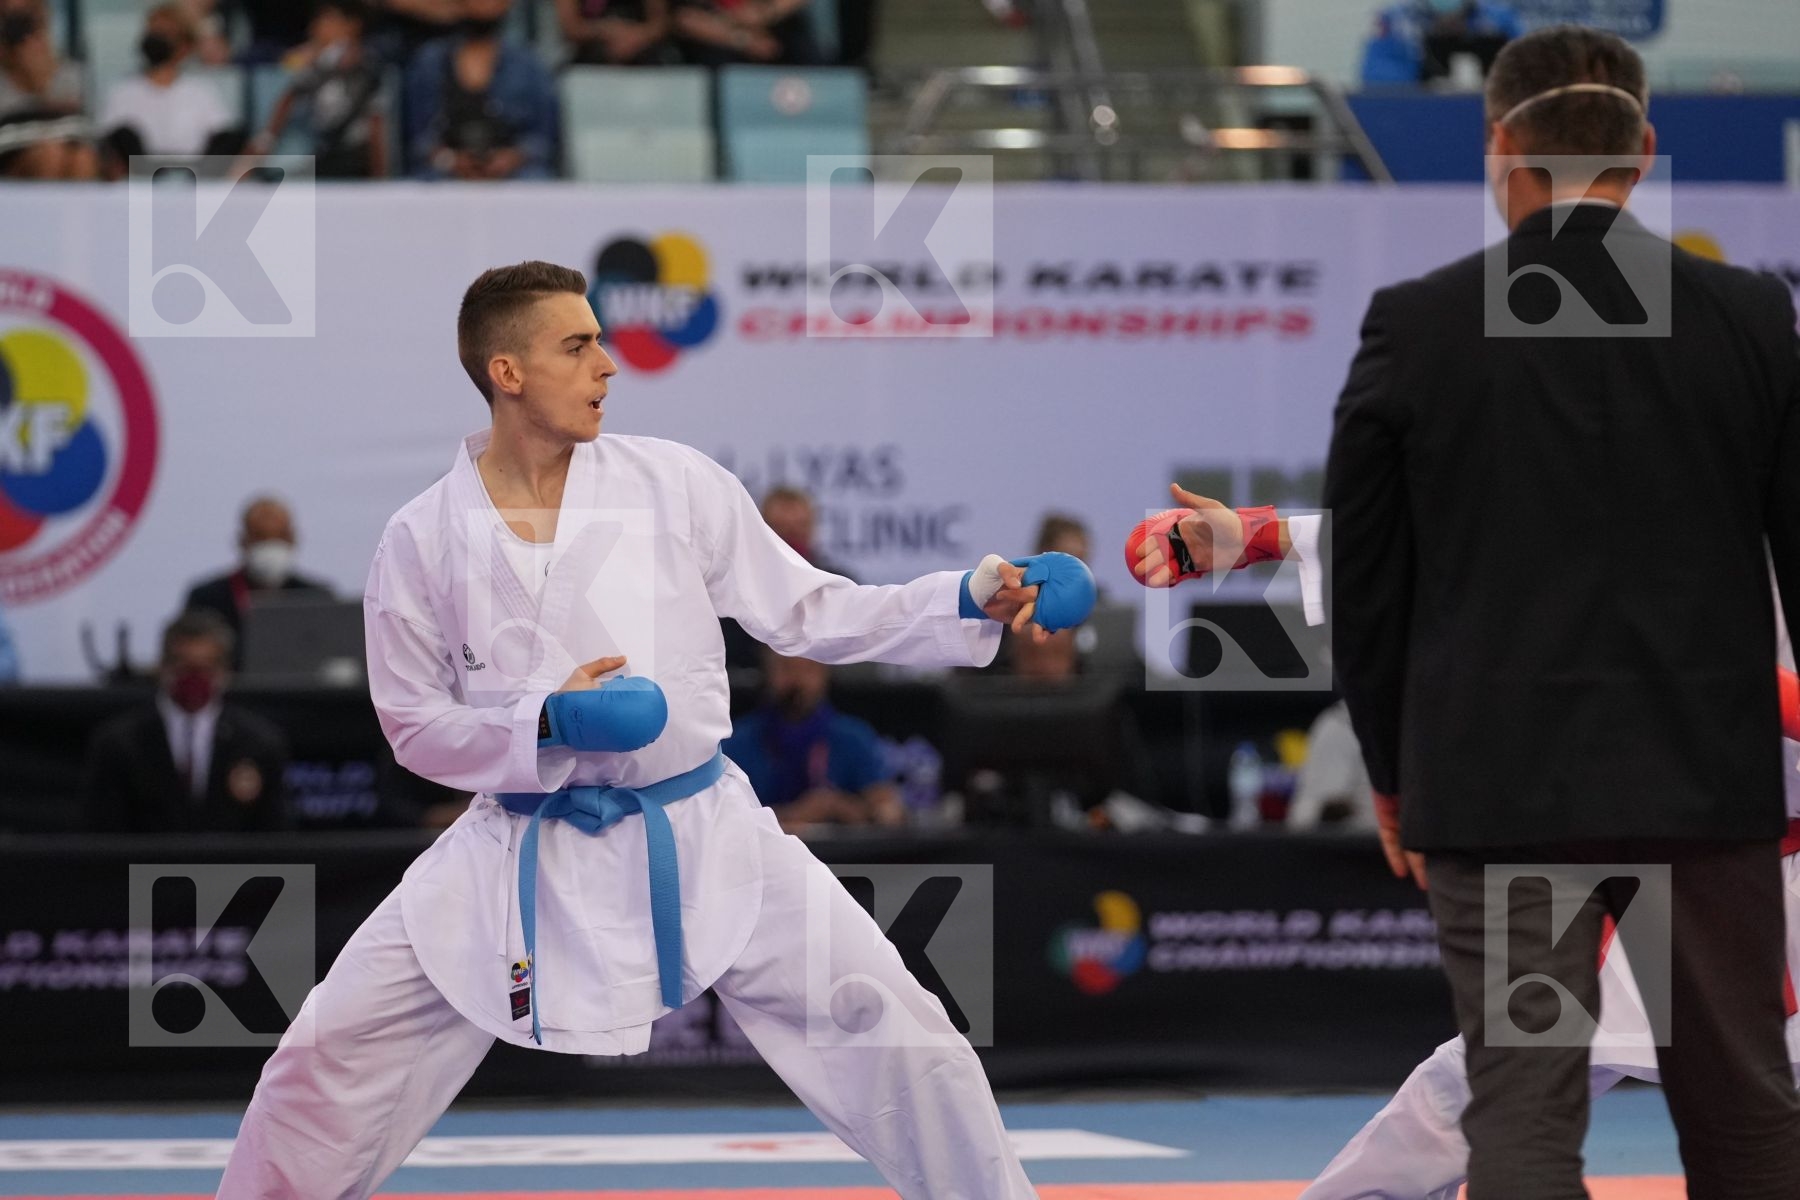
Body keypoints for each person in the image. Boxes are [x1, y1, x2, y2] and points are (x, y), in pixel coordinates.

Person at [215, 260, 1092, 1198]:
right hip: (514, 844)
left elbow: (810, 611)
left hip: (703, 827)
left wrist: (963, 596)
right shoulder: (422, 536)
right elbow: (413, 727)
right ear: (507, 372)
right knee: (318, 1065)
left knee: (907, 1039)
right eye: (578, 345)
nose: (608, 365)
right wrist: (542, 723)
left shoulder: (673, 483)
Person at [1324, 25, 1800, 1195]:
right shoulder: (1747, 317)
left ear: (1499, 146)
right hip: (1704, 789)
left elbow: (1367, 588)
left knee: (1524, 1111)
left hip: (1505, 796)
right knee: (1746, 1112)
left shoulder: (1419, 325)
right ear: (1643, 150)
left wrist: (1390, 773)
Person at [83, 610, 290, 833]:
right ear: (162, 668)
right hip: (145, 867)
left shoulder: (259, 743)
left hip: (229, 868)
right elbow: (101, 837)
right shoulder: (120, 743)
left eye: (206, 669)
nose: (195, 679)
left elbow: (276, 839)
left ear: (225, 672)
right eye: (185, 668)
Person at [722, 648, 903, 833]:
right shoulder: (737, 741)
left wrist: (841, 807)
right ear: (767, 671)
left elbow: (889, 810)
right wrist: (798, 814)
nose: (797, 679)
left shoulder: (853, 737)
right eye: (786, 668)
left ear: (825, 674)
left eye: (808, 669)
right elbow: (724, 820)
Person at [406, 0, 557, 181]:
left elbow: (543, 139)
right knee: (420, 184)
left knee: (536, 182)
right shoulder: (429, 62)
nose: (484, 4)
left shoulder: (529, 65)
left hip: (515, 172)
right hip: (445, 172)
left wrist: (511, 159)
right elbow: (417, 140)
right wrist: (451, 160)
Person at [182, 495, 335, 670]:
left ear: (293, 539)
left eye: (279, 537)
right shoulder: (207, 598)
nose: (270, 545)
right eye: (260, 537)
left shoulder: (317, 597)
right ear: (242, 541)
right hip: (235, 693)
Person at [241, 0, 389, 178]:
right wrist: (266, 140)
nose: (317, 28)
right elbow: (289, 97)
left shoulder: (368, 67)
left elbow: (375, 123)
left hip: (355, 158)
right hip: (326, 154)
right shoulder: (321, 63)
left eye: (328, 20)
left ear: (351, 25)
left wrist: (380, 175)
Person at [98, 5, 238, 157]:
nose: (157, 39)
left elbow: (223, 136)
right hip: (138, 177)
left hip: (193, 175)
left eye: (165, 34)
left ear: (185, 47)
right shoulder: (122, 92)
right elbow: (109, 141)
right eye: (153, 32)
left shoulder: (201, 91)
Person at [1361, 0, 1521, 86]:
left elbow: (1524, 73)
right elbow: (1379, 83)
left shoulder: (1498, 18)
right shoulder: (1394, 20)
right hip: (1417, 116)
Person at [672, 0, 820, 66]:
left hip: (772, 24)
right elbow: (684, 18)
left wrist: (765, 13)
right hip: (722, 37)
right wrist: (744, 40)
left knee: (802, 51)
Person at [555, 0, 672, 66]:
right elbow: (571, 28)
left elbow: (659, 24)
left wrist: (636, 36)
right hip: (591, 52)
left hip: (642, 49)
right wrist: (608, 31)